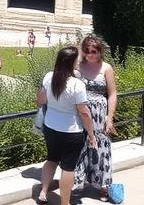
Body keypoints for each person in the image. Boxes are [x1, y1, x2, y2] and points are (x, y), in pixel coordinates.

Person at [34, 46, 98, 205]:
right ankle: (65, 202)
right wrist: (91, 135)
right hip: (71, 132)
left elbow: (40, 100)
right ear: (71, 62)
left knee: (51, 159)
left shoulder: (49, 76)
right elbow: (84, 113)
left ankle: (43, 192)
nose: (80, 61)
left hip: (50, 127)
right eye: (77, 59)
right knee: (68, 168)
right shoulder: (77, 84)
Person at [73, 35, 118, 201]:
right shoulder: (77, 65)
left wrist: (110, 117)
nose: (90, 55)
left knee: (101, 147)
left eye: (94, 52)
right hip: (80, 112)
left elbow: (112, 94)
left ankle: (103, 185)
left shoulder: (106, 68)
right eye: (87, 51)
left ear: (100, 52)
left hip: (99, 114)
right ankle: (78, 182)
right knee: (80, 146)